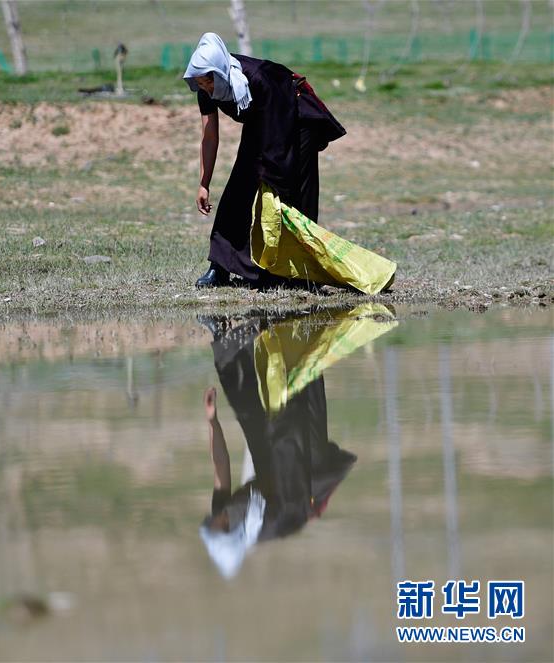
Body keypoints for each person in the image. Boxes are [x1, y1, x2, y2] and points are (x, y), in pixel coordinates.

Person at [198, 313, 356, 578]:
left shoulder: (222, 514)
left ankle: (226, 334)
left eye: (214, 520)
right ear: (231, 530)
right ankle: (299, 326)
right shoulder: (275, 520)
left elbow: (221, 465)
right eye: (219, 522)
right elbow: (288, 447)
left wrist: (212, 421)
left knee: (248, 408)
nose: (218, 515)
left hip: (269, 472)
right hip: (306, 475)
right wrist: (279, 419)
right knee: (295, 397)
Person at [184, 33, 346, 288]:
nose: (206, 89)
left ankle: (300, 272)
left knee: (292, 191)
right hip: (262, 120)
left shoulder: (258, 78)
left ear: (220, 71)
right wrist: (204, 183)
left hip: (295, 116)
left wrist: (273, 175)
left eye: (208, 82)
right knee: (239, 186)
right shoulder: (207, 86)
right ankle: (221, 267)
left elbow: (279, 127)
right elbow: (209, 136)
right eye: (201, 84)